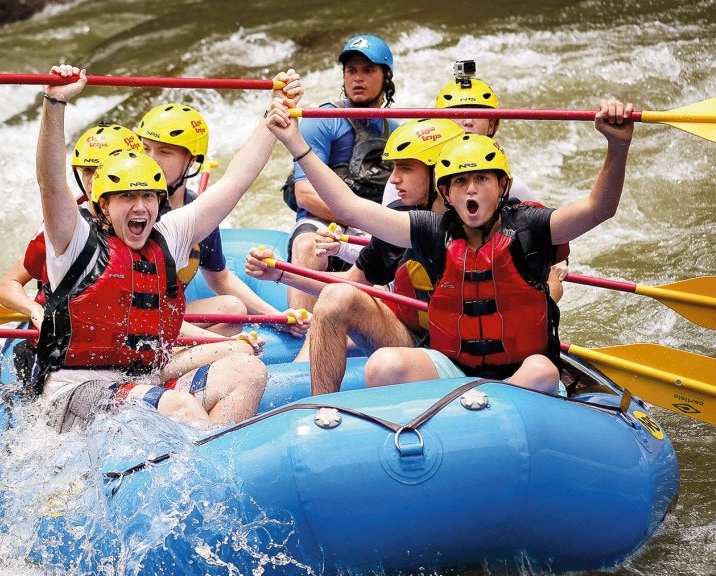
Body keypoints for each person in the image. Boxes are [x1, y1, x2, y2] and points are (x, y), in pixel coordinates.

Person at [263, 94, 634, 395]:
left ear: (503, 186)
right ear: (446, 191)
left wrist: (617, 146)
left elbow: (599, 208)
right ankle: (326, 413)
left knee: (540, 370)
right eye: (460, 182)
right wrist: (295, 142)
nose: (471, 189)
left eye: (482, 179)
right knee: (382, 366)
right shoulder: (430, 229)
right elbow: (349, 207)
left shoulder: (532, 224)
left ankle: (485, 407)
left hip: (521, 370)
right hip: (452, 366)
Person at [33, 63, 303, 430]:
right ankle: (203, 461)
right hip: (74, 388)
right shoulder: (74, 241)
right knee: (180, 409)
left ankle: (211, 459)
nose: (140, 206)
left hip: (145, 375)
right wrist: (54, 103)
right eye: (127, 196)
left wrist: (273, 116)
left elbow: (236, 182)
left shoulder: (168, 234)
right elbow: (50, 184)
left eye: (148, 196)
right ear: (103, 205)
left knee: (248, 369)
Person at [246, 118, 464, 391]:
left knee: (385, 364)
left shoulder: (490, 224)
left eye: (405, 168)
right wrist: (280, 273)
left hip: (468, 357)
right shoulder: (402, 218)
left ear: (440, 170)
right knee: (337, 296)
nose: (394, 178)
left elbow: (349, 208)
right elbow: (352, 281)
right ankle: (320, 407)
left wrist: (296, 142)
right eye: (393, 168)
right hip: (414, 341)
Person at [135, 103, 309, 338]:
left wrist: (276, 317)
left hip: (166, 316)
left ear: (192, 160)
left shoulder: (197, 210)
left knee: (233, 308)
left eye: (165, 151)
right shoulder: (135, 212)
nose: (151, 159)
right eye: (145, 149)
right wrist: (227, 344)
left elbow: (220, 277)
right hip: (135, 319)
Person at [429, 61, 569, 301]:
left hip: (491, 275)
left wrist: (561, 260)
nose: (467, 122)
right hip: (438, 273)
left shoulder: (509, 183)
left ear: (492, 124)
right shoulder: (415, 176)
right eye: (456, 114)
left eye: (476, 112)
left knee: (549, 278)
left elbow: (548, 228)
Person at [282, 34, 399, 313]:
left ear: (386, 77)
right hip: (322, 219)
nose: (358, 77)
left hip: (370, 224)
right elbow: (305, 194)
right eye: (351, 70)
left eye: (368, 70)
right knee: (310, 246)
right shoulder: (321, 120)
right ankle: (299, 326)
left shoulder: (396, 130)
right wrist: (368, 220)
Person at [0, 122, 142, 327]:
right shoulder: (64, 222)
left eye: (104, 171)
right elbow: (7, 285)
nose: (92, 181)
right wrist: (34, 309)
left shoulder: (149, 219)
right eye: (88, 171)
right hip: (60, 336)